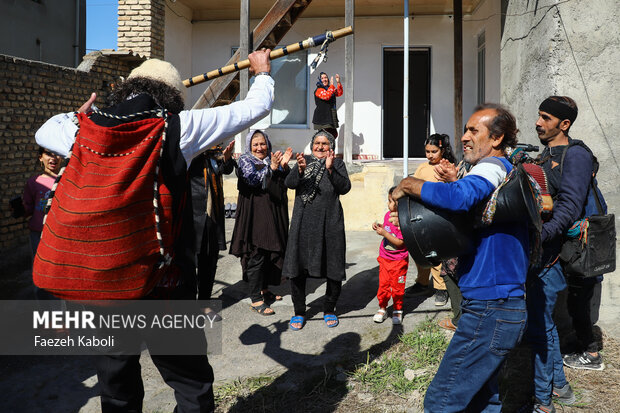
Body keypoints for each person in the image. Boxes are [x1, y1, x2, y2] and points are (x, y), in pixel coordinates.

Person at [34, 50, 274, 413]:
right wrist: (262, 73)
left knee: (116, 387)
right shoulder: (178, 127)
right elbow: (254, 108)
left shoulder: (82, 129)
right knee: (190, 382)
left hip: (104, 285)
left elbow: (45, 130)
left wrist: (80, 113)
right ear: (172, 99)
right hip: (163, 285)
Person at [390, 104, 528, 412]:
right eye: (465, 129)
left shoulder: (492, 166)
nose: (464, 137)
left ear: (497, 138)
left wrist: (408, 183)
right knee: (483, 400)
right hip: (499, 306)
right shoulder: (499, 170)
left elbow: (458, 197)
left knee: (441, 401)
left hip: (491, 307)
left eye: (474, 130)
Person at [526, 96, 602, 412]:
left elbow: (569, 205)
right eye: (539, 116)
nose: (538, 122)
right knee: (542, 321)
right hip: (553, 250)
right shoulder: (547, 154)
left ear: (564, 124)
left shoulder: (577, 155)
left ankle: (544, 401)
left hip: (563, 251)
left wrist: (540, 236)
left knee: (542, 322)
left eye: (545, 117)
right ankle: (560, 387)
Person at [283, 130, 351, 330]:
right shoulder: (304, 161)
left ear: (331, 146)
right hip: (303, 223)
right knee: (297, 268)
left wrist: (330, 170)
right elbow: (290, 183)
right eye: (317, 143)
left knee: (333, 266)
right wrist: (300, 170)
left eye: (325, 143)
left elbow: (344, 187)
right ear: (312, 145)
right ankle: (299, 311)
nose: (320, 147)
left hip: (330, 223)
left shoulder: (337, 164)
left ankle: (329, 309)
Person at [229, 129, 292, 316]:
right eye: (255, 144)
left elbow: (284, 183)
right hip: (255, 214)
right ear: (249, 146)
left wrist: (284, 167)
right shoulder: (245, 161)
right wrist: (272, 168)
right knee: (256, 253)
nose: (259, 148)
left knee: (268, 251)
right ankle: (256, 299)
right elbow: (252, 180)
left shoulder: (272, 159)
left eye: (262, 144)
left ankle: (264, 289)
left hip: (272, 214)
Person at [180, 141, 236, 317]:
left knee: (209, 261)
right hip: (191, 215)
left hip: (212, 215)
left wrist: (226, 159)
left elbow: (226, 170)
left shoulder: (215, 154)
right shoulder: (189, 153)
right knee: (188, 263)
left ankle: (204, 304)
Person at [405, 134, 456, 307]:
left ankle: (441, 289)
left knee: (437, 255)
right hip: (421, 217)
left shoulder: (447, 167)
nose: (430, 155)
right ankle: (422, 283)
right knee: (421, 252)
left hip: (439, 218)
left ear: (443, 150)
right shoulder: (421, 168)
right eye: (427, 151)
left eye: (434, 151)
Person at [372, 186, 409, 325]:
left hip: (399, 261)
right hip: (385, 258)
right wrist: (379, 226)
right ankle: (382, 307)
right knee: (383, 285)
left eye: (390, 201)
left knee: (398, 286)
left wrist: (385, 234)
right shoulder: (388, 216)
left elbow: (400, 242)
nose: (388, 204)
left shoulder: (404, 220)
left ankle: (397, 309)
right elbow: (387, 229)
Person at [20, 147, 62, 257]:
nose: (53, 158)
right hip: (38, 232)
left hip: (59, 233)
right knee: (38, 263)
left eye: (56, 154)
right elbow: (28, 210)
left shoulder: (66, 181)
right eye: (48, 154)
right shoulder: (33, 182)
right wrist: (20, 209)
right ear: (40, 158)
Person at [312, 72, 342, 138]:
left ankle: (330, 147)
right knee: (325, 136)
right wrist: (331, 85)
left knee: (334, 134)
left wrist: (338, 82)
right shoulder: (319, 90)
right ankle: (324, 148)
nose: (324, 79)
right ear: (320, 80)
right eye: (322, 78)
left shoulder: (329, 88)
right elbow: (327, 96)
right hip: (323, 117)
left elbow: (339, 93)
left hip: (330, 115)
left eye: (325, 77)